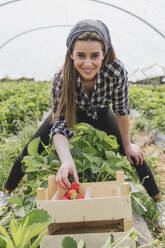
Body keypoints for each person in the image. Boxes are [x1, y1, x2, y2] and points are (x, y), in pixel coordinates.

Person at [3, 19, 165, 225]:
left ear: (104, 54)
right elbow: (59, 124)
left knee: (132, 152)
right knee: (33, 145)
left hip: (100, 112)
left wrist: (126, 144)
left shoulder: (116, 71)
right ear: (71, 54)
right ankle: (6, 192)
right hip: (72, 111)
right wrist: (66, 158)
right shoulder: (62, 77)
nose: (87, 63)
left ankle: (159, 202)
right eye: (81, 55)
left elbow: (122, 111)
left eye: (95, 55)